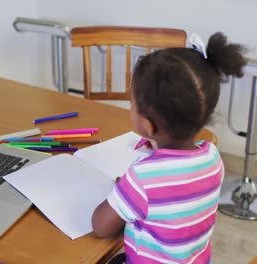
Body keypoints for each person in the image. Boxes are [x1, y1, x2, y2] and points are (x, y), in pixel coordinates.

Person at [92, 32, 247, 263]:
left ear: (147, 124)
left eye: (132, 103)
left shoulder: (142, 177)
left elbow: (100, 227)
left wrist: (125, 191)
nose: (130, 107)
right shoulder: (213, 157)